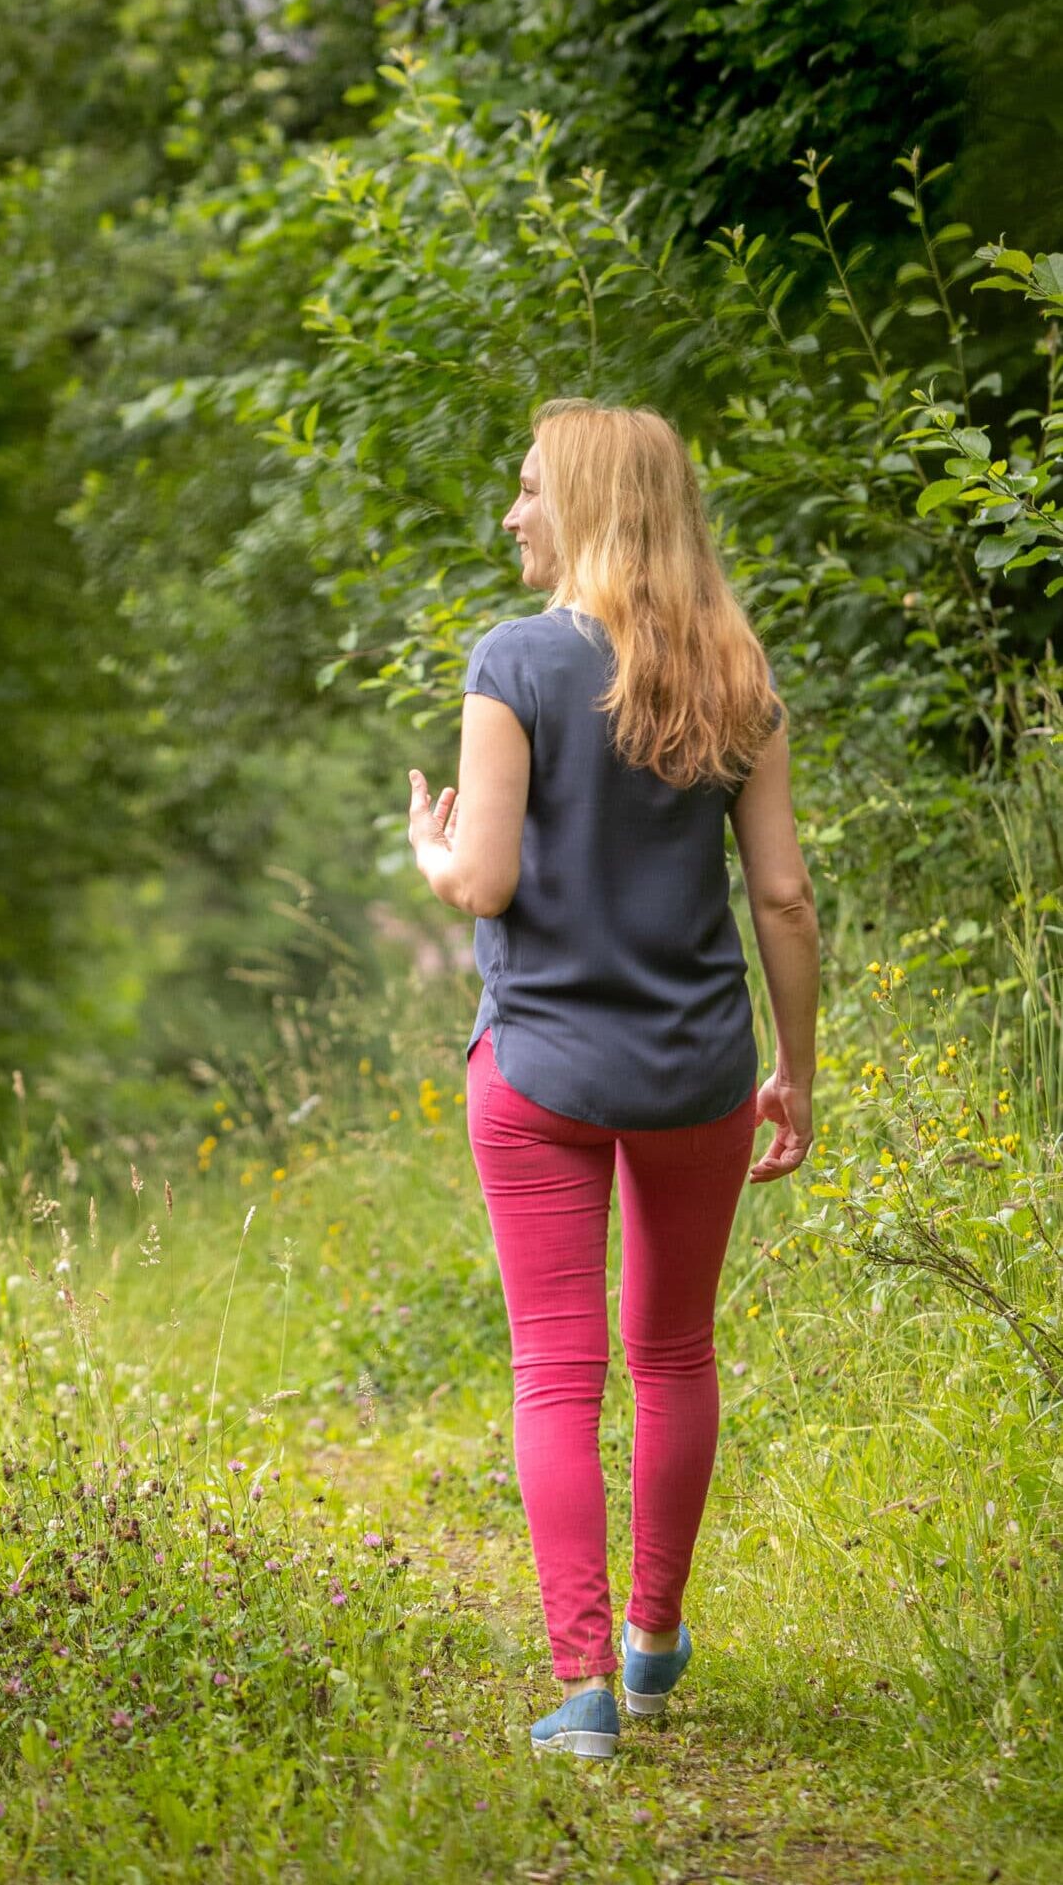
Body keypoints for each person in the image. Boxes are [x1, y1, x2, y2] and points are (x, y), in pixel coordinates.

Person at [408, 398, 818, 1760]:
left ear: (584, 500)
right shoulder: (734, 671)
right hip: (700, 1066)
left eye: (530, 488)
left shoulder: (514, 662)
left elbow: (486, 879)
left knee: (557, 1369)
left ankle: (583, 1687)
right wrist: (795, 1075)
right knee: (676, 1350)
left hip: (537, 1067)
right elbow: (784, 898)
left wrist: (431, 845)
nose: (512, 513)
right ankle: (652, 1647)